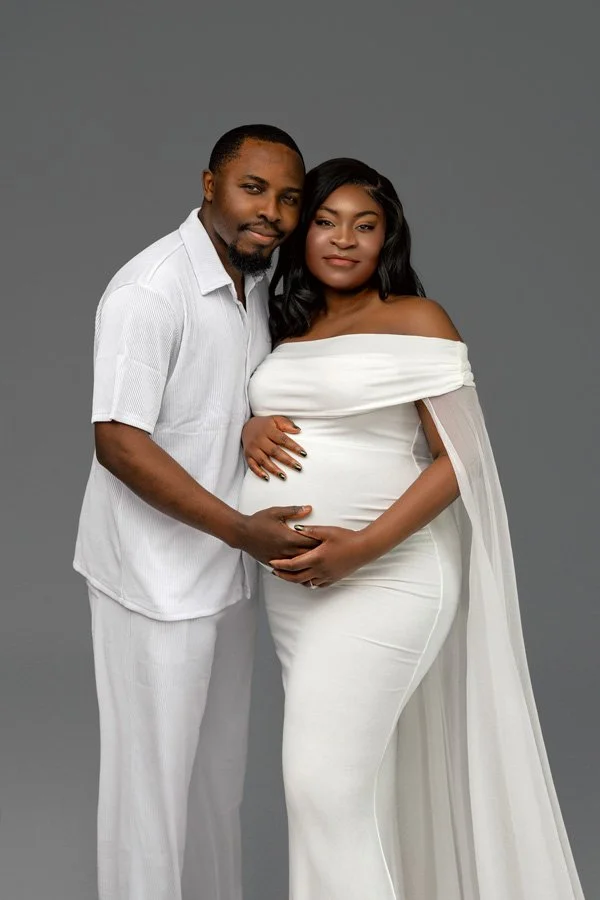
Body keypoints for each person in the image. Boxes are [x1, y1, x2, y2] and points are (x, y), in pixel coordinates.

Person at [238, 158, 585, 899]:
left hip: (390, 577)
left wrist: (361, 547)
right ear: (302, 234)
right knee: (346, 794)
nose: (344, 241)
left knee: (320, 786)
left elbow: (462, 460)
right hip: (299, 594)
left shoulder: (417, 320)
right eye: (327, 222)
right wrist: (248, 428)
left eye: (366, 226)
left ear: (388, 238)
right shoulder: (283, 323)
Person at [73, 124, 321, 900]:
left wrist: (246, 420)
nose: (273, 213)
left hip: (226, 580)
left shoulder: (250, 284)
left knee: (217, 789)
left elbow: (214, 401)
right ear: (209, 185)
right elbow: (119, 440)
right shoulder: (150, 291)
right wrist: (243, 531)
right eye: (254, 189)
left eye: (288, 199)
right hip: (153, 582)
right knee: (150, 796)